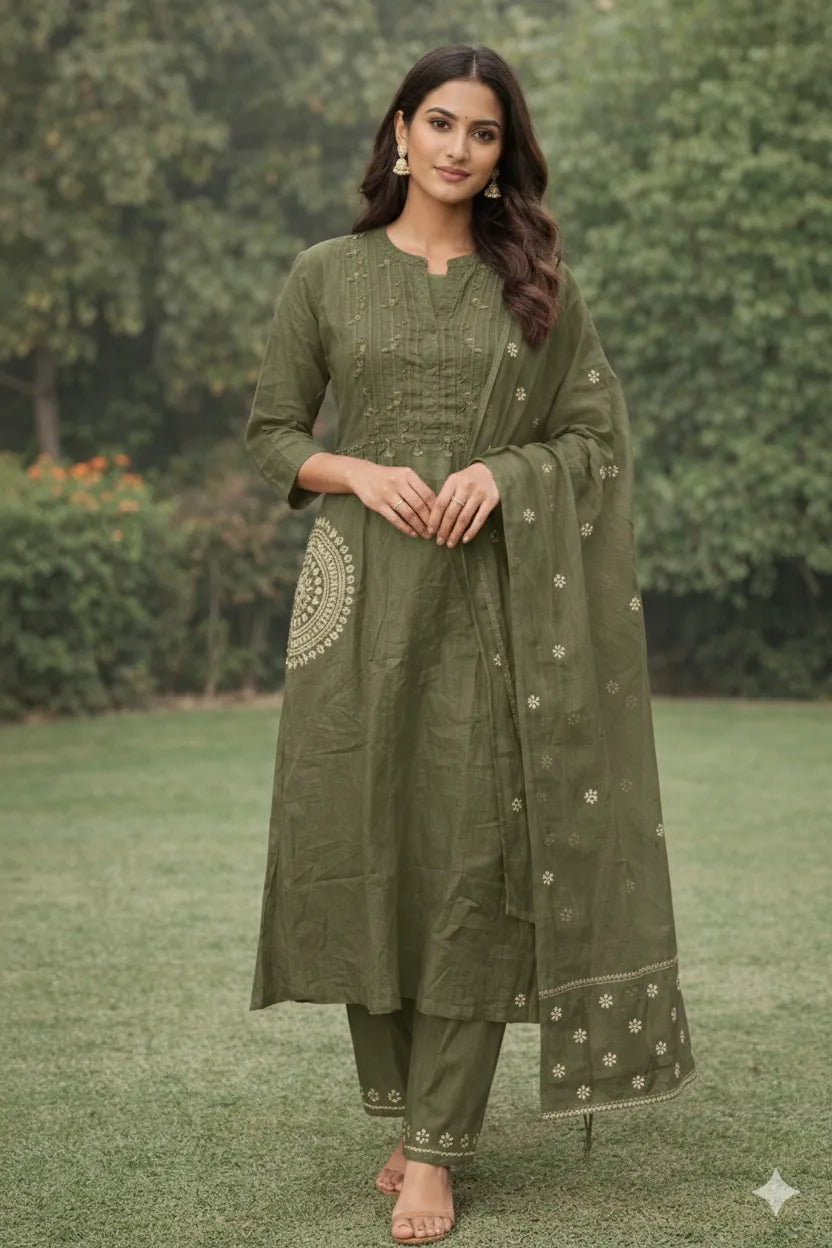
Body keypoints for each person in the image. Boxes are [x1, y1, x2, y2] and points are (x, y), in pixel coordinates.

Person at [246, 43, 697, 1246]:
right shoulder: (324, 275)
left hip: (500, 613)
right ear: (399, 131)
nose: (456, 147)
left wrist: (506, 472)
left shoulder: (537, 281)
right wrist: (357, 467)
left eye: (483, 132)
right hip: (355, 606)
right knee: (365, 849)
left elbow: (595, 443)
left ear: (505, 155)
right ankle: (406, 1116)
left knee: (473, 867)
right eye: (438, 122)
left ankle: (440, 1147)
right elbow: (272, 431)